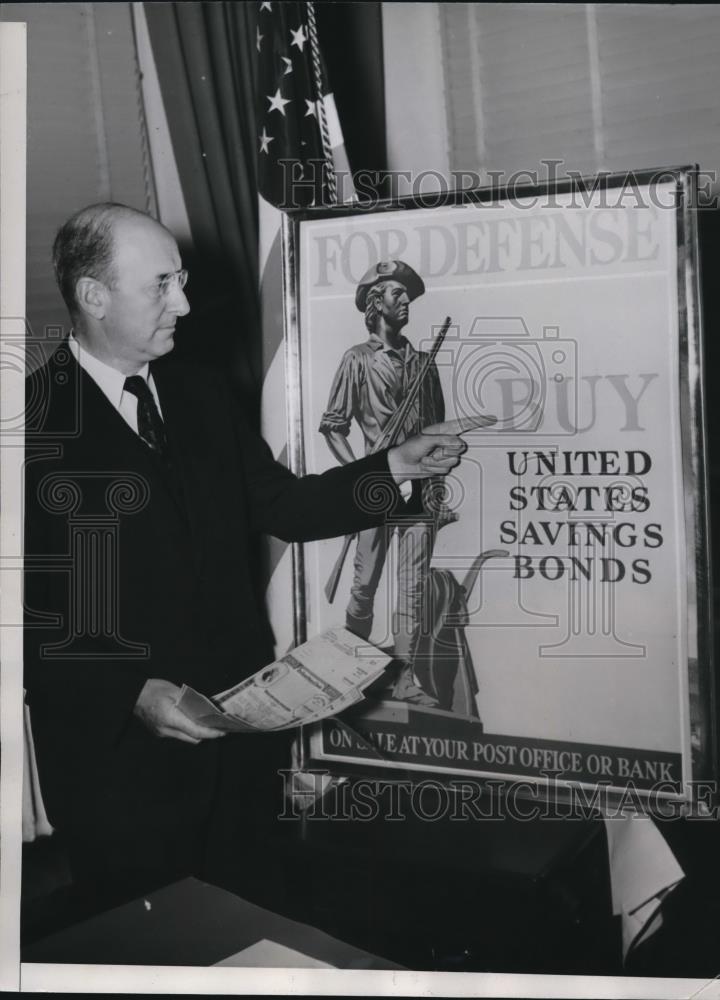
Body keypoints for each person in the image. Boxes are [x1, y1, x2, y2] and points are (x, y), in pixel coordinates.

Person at [23, 204, 474, 917]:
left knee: (249, 926)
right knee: (150, 949)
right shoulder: (29, 424)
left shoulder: (198, 391)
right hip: (119, 771)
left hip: (237, 747)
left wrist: (396, 464)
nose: (186, 303)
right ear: (94, 295)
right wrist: (131, 693)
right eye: (162, 285)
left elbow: (283, 507)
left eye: (184, 280)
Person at [319, 260, 454, 706]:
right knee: (364, 586)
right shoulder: (357, 360)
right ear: (376, 303)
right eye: (397, 294)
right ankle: (353, 671)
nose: (406, 302)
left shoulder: (423, 362)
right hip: (373, 489)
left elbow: (437, 428)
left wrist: (439, 474)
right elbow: (334, 426)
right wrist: (359, 474)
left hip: (418, 491)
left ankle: (405, 678)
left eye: (408, 295)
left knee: (412, 587)